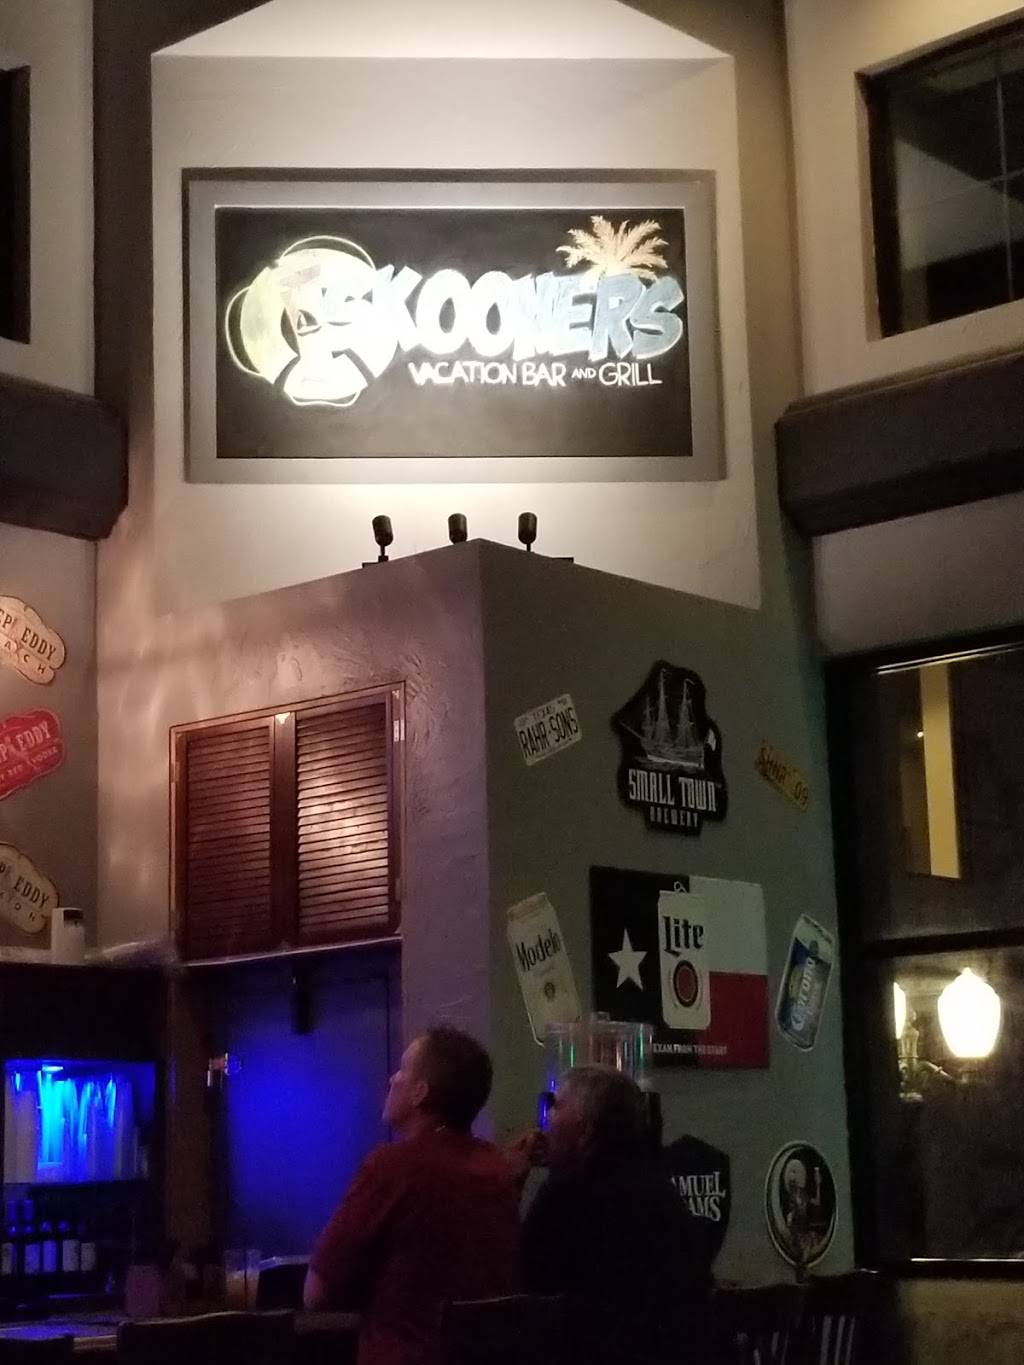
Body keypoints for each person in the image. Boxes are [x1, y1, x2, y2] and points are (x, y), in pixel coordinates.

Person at [304, 1027, 522, 1365]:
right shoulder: (498, 1169)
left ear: (421, 1092)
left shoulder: (393, 1167)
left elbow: (316, 1292)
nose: (392, 1078)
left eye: (403, 1070)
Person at [520, 1065, 710, 1365]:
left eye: (557, 1105)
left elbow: (525, 1290)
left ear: (586, 1129)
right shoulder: (661, 1191)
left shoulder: (567, 1193)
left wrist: (511, 1183)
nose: (547, 1117)